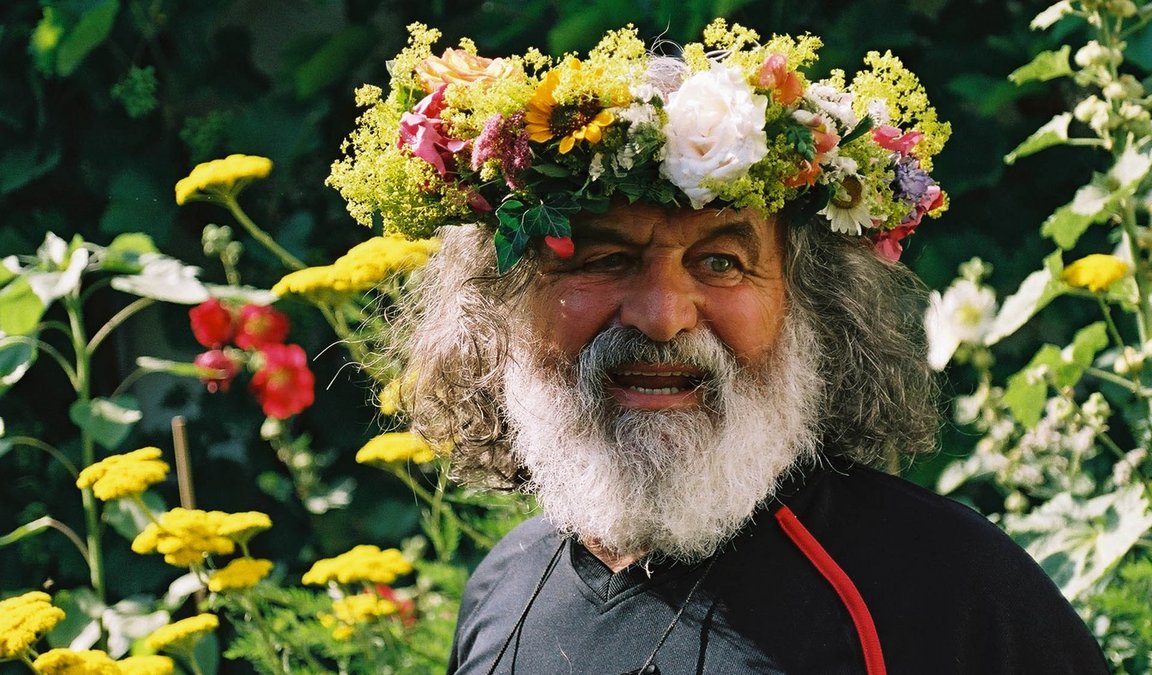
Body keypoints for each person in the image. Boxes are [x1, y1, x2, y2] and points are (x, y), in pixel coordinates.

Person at [330, 21, 1109, 674]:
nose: (664, 316)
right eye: (605, 259)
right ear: (503, 307)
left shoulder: (944, 594)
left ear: (809, 305)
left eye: (721, 262)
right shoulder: (502, 588)